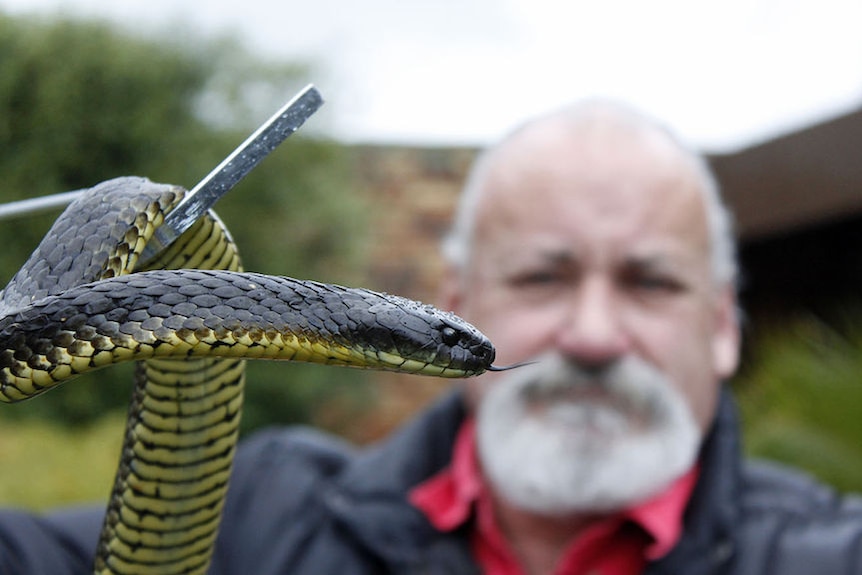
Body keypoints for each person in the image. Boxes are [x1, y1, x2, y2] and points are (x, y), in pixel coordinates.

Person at [2, 100, 862, 575]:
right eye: (541, 275)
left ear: (722, 327)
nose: (593, 334)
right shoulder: (260, 514)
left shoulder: (829, 555)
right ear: (454, 296)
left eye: (651, 281)